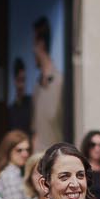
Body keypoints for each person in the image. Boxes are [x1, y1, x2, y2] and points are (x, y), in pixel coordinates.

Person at [29, 18, 64, 146]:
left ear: (41, 45)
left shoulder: (60, 83)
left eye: (33, 45)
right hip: (39, 160)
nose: (32, 51)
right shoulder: (37, 87)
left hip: (57, 156)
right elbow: (35, 130)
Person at [0, 129, 33, 199]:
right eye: (19, 150)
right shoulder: (10, 175)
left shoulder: (15, 171)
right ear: (8, 151)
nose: (25, 154)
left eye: (27, 150)